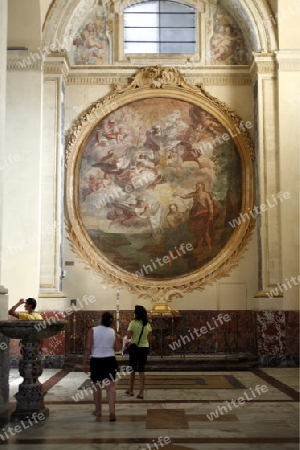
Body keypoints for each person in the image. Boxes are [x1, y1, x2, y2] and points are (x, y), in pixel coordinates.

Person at [83, 312, 122, 421]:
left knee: (97, 386)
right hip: (110, 360)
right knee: (110, 387)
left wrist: (84, 362)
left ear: (101, 319)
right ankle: (112, 412)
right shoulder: (113, 332)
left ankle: (98, 411)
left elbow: (88, 347)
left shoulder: (93, 330)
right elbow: (118, 347)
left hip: (96, 360)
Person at [126, 305, 152, 399]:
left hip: (134, 348)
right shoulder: (147, 325)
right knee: (141, 370)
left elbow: (128, 336)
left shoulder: (132, 323)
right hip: (144, 348)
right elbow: (149, 338)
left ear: (136, 314)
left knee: (132, 369)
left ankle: (131, 390)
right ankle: (141, 392)